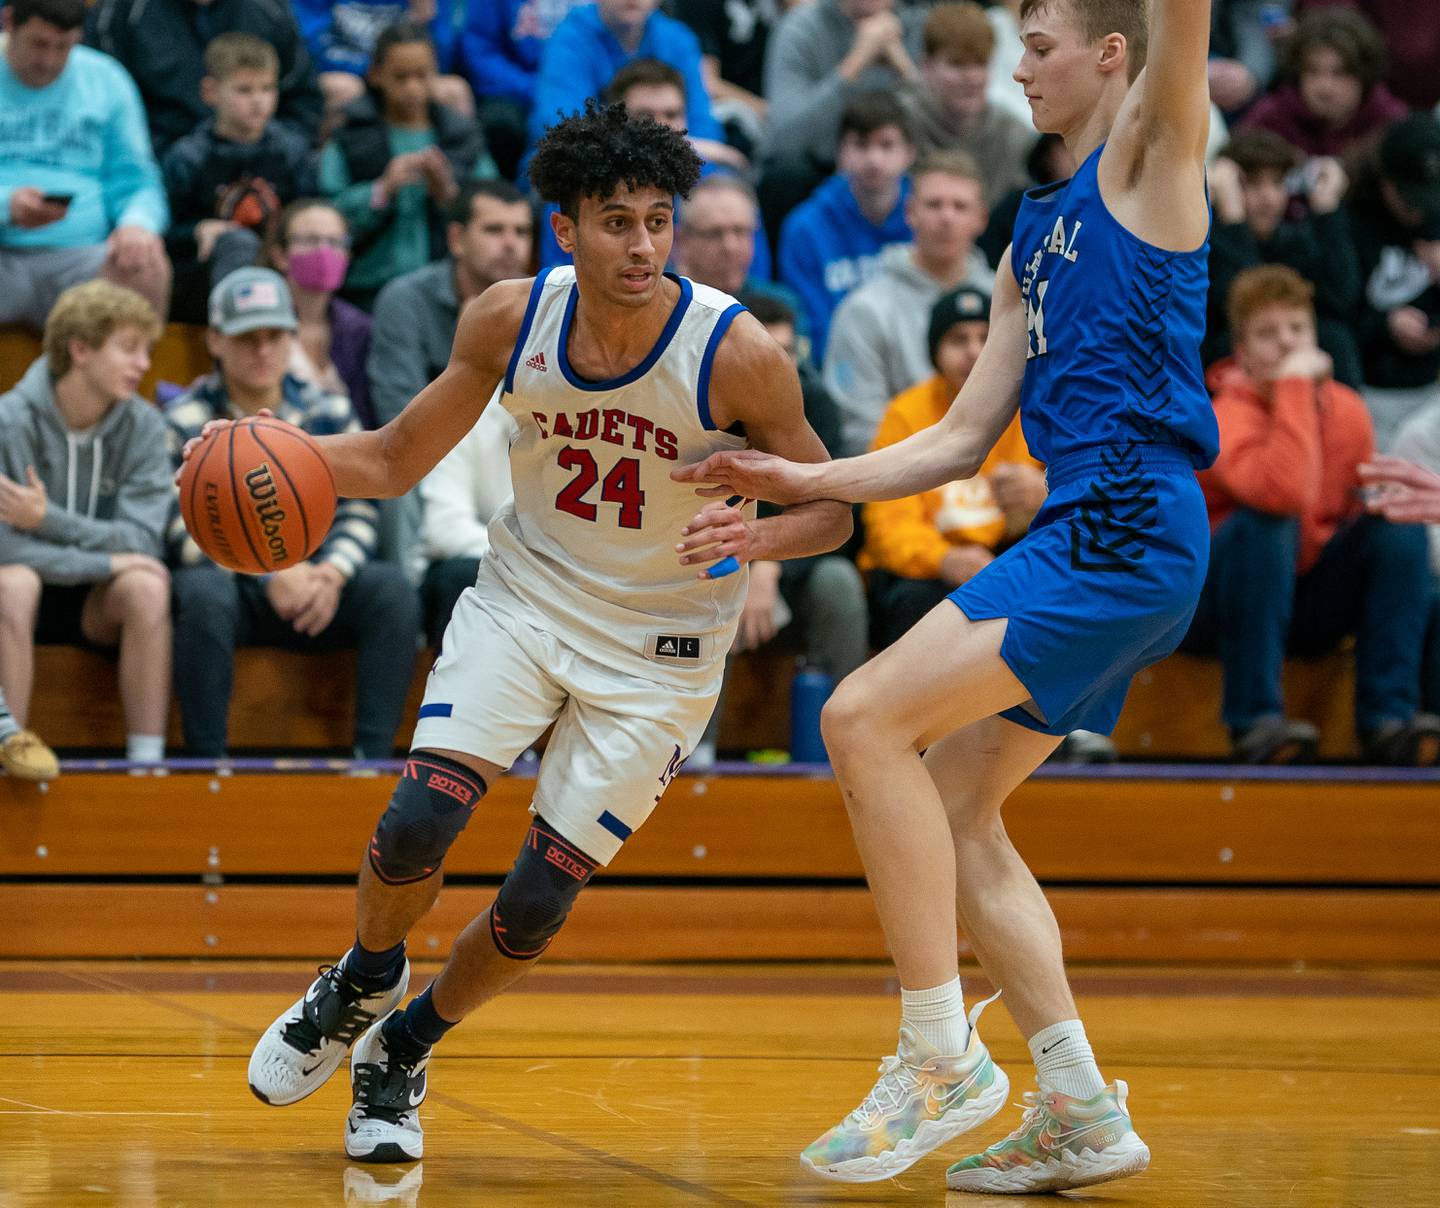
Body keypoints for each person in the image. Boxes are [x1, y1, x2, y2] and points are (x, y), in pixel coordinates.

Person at [214, 102, 848, 1163]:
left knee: (541, 896)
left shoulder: (738, 354)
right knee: (421, 818)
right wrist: (261, 443)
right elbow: (388, 459)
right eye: (616, 222)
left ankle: (403, 1048)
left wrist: (760, 531)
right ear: (566, 229)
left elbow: (833, 504)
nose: (642, 245)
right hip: (528, 595)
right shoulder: (509, 319)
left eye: (658, 220)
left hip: (662, 647)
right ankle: (364, 974)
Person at [675, 0, 1220, 1191]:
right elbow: (962, 438)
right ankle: (1076, 1103)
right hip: (1097, 533)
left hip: (1125, 525)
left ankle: (938, 1052)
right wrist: (801, 479)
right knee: (961, 806)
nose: (1019, 69)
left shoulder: (1154, 159)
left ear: (1111, 57)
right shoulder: (1035, 232)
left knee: (860, 717)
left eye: (1039, 46)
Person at [1184, 265, 1439, 764]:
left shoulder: (1347, 410)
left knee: (1397, 528)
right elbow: (1284, 494)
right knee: (1269, 523)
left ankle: (1388, 720)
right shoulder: (1219, 417)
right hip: (1219, 607)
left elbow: (1354, 514)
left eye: (1298, 330)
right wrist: (1296, 388)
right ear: (1241, 351)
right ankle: (1254, 720)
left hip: (1306, 598)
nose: (1287, 345)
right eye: (1267, 333)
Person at [164, 268, 420, 761]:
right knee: (200, 593)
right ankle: (205, 766)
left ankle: (372, 763)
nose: (262, 350)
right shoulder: (183, 420)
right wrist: (270, 574)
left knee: (391, 591)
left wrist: (331, 573)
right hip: (238, 588)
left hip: (318, 586)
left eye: (274, 335)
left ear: (292, 338)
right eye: (246, 337)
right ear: (215, 340)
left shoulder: (330, 410)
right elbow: (180, 527)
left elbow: (361, 509)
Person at [0, 281, 172, 781]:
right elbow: (3, 545)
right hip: (17, 596)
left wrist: (46, 520)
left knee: (148, 585)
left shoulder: (142, 425)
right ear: (80, 349)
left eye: (148, 350)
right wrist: (105, 560)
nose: (143, 364)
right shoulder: (9, 420)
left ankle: (147, 768)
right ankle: (10, 760)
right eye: (128, 348)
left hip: (97, 604)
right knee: (13, 583)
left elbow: (143, 540)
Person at [691, 290, 868, 767]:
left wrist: (769, 564)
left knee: (840, 584)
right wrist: (747, 564)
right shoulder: (702, 399)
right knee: (713, 582)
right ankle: (693, 752)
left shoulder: (817, 402)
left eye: (786, 354)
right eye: (766, 354)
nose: (777, 368)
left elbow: (837, 514)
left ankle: (847, 744)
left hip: (789, 560)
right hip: (708, 552)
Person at [860, 286, 1043, 648]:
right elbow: (888, 527)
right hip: (926, 570)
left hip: (1007, 556)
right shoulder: (905, 415)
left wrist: (1043, 489)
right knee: (921, 604)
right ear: (935, 351)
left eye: (985, 337)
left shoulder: (1033, 408)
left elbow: (1081, 493)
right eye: (959, 339)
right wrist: (944, 559)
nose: (974, 351)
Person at [368, 180, 533, 575]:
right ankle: (409, 591)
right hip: (431, 457)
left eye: (521, 231)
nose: (511, 243)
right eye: (494, 230)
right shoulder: (405, 300)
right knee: (396, 476)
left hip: (511, 453)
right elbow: (400, 415)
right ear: (457, 239)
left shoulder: (545, 303)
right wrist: (470, 359)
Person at [0, 0, 170, 329]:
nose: (48, 60)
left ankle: (135, 379)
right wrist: (8, 205)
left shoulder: (106, 80)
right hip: (4, 252)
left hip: (83, 257)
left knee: (145, 263)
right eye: (38, 44)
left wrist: (137, 223)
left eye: (63, 47)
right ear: (9, 22)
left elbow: (138, 180)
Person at [824, 152, 992, 457]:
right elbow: (859, 430)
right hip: (900, 479)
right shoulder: (864, 310)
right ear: (910, 212)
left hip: (1000, 477)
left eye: (960, 206)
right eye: (934, 204)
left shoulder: (1012, 300)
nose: (946, 217)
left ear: (981, 218)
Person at [319, 21, 489, 309]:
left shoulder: (461, 135)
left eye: (422, 76)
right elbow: (326, 208)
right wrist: (380, 190)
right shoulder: (350, 134)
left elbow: (489, 200)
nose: (412, 88)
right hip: (365, 286)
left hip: (447, 290)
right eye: (400, 77)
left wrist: (449, 194)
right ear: (375, 74)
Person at [163, 34, 318, 324]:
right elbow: (165, 231)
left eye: (267, 88)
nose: (258, 101)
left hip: (281, 268)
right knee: (236, 243)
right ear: (210, 91)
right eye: (244, 90)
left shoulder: (291, 150)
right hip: (205, 281)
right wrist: (197, 229)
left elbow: (308, 211)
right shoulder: (189, 156)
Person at [757, 0, 927, 244]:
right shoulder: (801, 27)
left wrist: (905, 71)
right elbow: (783, 138)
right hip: (819, 167)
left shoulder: (919, 24)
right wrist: (853, 65)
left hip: (899, 167)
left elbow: (936, 127)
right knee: (784, 177)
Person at [1203, 130, 1362, 385]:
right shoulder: (1206, 243)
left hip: (1298, 368)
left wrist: (1327, 211)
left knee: (1335, 337)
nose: (1268, 197)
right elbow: (1249, 305)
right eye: (1252, 183)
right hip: (1233, 376)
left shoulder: (1293, 240)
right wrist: (1232, 216)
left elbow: (1343, 299)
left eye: (1277, 183)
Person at [85, 0, 324, 160]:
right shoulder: (123, 13)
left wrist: (274, 149)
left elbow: (303, 100)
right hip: (160, 165)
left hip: (263, 156)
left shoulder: (268, 9)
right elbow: (102, 105)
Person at [778, 92, 914, 363]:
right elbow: (809, 324)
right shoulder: (804, 228)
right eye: (861, 145)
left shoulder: (930, 213)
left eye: (887, 145)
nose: (874, 159)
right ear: (841, 152)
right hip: (839, 371)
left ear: (910, 153)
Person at [1346, 114, 1440, 451]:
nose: (1419, 212)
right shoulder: (1351, 219)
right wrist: (1386, 325)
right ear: (1385, 181)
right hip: (1370, 386)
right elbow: (1333, 314)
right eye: (1409, 198)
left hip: (1432, 389)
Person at [527, 0, 723, 152]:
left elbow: (702, 124)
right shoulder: (569, 39)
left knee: (722, 194)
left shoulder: (679, 39)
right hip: (589, 165)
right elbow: (560, 126)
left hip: (675, 162)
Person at [901, 3, 1037, 206]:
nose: (971, 77)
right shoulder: (898, 123)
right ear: (926, 65)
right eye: (957, 64)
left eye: (980, 64)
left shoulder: (1013, 136)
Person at [1240, 6, 1406, 162]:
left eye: (1339, 73)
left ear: (1364, 76)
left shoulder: (1391, 125)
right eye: (1312, 71)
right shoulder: (1270, 119)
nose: (1324, 87)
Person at [262, 201, 374, 428]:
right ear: (280, 255)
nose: (324, 251)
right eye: (310, 240)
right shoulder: (258, 327)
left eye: (335, 242)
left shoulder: (361, 329)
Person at [462, 0, 585, 183]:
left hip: (578, 88)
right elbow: (481, 50)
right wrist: (536, 87)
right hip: (517, 91)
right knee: (500, 123)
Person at [672, 175, 807, 341]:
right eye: (714, 233)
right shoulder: (664, 306)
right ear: (682, 241)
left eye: (740, 231)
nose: (730, 246)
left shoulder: (781, 305)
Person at [290, 0, 471, 118]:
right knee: (343, 88)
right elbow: (308, 42)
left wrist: (422, 17)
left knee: (454, 90)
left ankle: (463, 171)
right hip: (344, 73)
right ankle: (330, 170)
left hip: (406, 74)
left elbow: (443, 60)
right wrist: (373, 69)